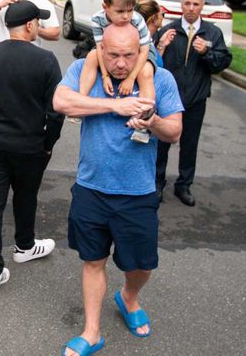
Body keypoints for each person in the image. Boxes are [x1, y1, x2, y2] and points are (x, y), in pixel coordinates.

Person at [53, 23, 183, 356]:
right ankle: (92, 332)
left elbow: (175, 131)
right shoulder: (85, 69)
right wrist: (115, 106)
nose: (122, 63)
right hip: (91, 187)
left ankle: (128, 296)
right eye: (113, 55)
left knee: (141, 265)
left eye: (130, 55)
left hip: (137, 191)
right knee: (93, 260)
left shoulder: (160, 79)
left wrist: (151, 120)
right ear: (101, 48)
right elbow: (61, 102)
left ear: (141, 52)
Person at [0, 0, 65, 294]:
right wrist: (48, 143)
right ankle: (24, 245)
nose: (39, 26)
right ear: (30, 25)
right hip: (30, 145)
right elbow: (56, 111)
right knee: (26, 196)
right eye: (38, 21)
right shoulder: (46, 61)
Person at [154, 0, 232, 206]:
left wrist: (206, 53)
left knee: (190, 145)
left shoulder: (211, 33)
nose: (190, 8)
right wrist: (160, 46)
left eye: (195, 4)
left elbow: (222, 62)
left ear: (202, 7)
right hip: (168, 101)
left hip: (195, 99)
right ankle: (157, 184)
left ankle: (184, 186)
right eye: (187, 3)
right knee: (161, 144)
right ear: (181, 5)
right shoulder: (168, 31)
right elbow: (152, 64)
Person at [77, 0, 154, 100]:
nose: (126, 16)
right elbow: (99, 48)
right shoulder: (98, 19)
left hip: (141, 49)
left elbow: (144, 50)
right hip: (110, 48)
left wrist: (131, 78)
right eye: (120, 11)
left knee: (146, 71)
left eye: (130, 10)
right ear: (105, 7)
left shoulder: (137, 20)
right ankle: (81, 99)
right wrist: (105, 75)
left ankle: (145, 110)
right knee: (91, 57)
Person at [135, 0, 166, 67]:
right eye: (162, 14)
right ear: (154, 18)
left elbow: (154, 62)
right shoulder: (142, 43)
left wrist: (162, 45)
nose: (162, 17)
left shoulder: (147, 39)